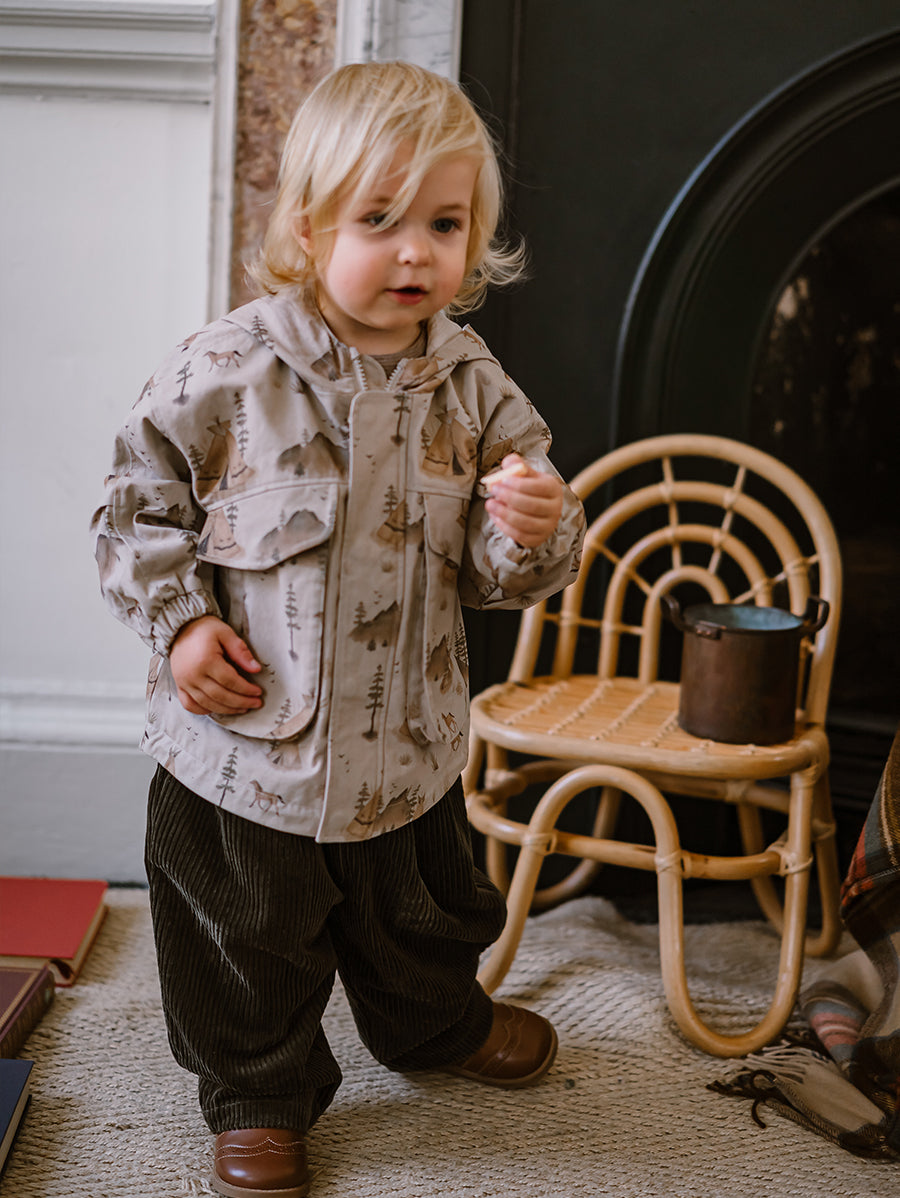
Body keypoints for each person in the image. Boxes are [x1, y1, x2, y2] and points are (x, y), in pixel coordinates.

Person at [91, 60, 585, 1198]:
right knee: (245, 933)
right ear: (309, 228)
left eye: (445, 224)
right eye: (380, 220)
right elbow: (133, 507)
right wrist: (180, 628)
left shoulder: (474, 389)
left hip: (403, 740)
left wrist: (531, 527)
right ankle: (258, 1093)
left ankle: (435, 1025)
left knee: (426, 912)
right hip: (248, 749)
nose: (417, 253)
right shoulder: (228, 370)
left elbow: (504, 576)